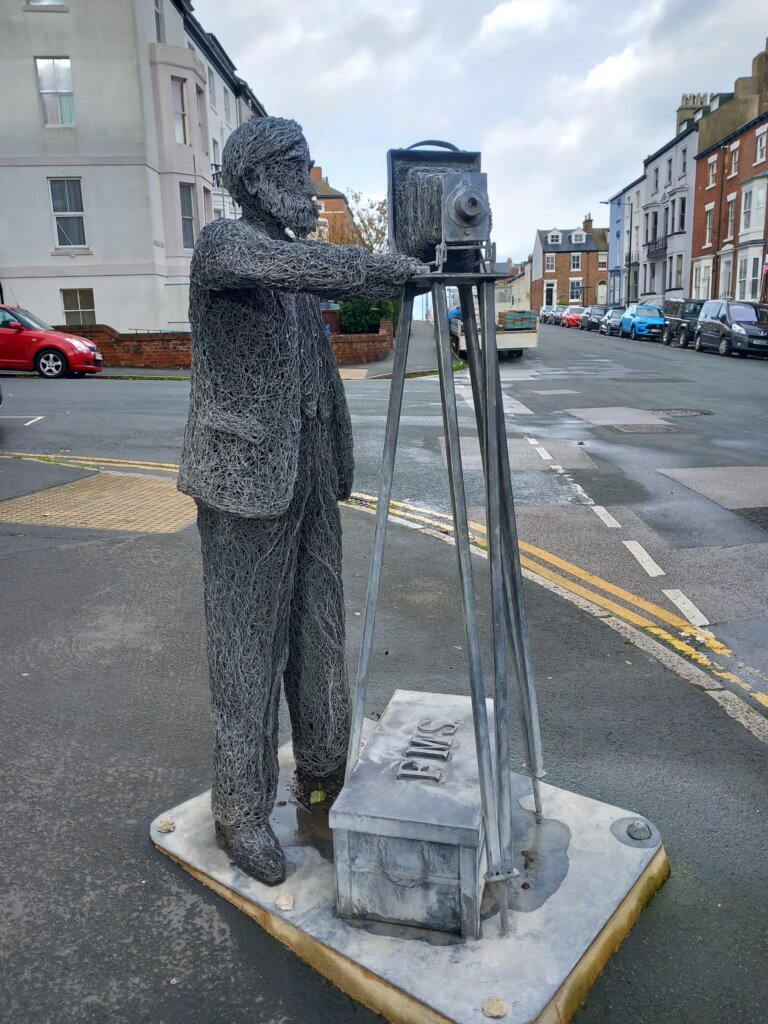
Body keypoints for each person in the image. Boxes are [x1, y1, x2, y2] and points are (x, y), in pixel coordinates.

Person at [177, 116, 425, 885]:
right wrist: (396, 270)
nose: (310, 183)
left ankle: (322, 772)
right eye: (297, 168)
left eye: (311, 166)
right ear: (254, 176)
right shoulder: (228, 245)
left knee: (320, 631)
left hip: (312, 473)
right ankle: (241, 814)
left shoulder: (285, 264)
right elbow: (315, 268)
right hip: (246, 483)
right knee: (247, 655)